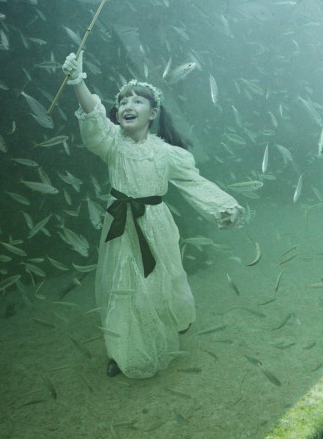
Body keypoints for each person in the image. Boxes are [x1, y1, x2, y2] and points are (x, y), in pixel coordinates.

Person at [61, 51, 244, 378]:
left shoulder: (167, 153)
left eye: (138, 101)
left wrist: (223, 207)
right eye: (123, 101)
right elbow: (92, 115)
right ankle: (123, 350)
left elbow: (193, 182)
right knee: (121, 285)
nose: (128, 105)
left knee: (158, 283)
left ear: (153, 113)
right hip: (118, 223)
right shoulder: (112, 142)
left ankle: (161, 333)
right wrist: (78, 80)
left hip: (155, 224)